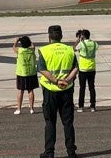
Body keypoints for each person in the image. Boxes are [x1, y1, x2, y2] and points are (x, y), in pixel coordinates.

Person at [37, 24, 79, 158]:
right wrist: (66, 80)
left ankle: (49, 153)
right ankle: (71, 151)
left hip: (50, 90)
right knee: (68, 122)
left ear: (49, 37)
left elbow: (42, 69)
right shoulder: (69, 50)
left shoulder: (44, 50)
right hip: (66, 90)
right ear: (61, 36)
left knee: (50, 122)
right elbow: (76, 68)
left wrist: (56, 81)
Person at [74, 29, 98, 113]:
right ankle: (93, 106)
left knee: (82, 88)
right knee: (92, 88)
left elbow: (74, 48)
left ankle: (81, 106)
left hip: (83, 69)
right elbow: (96, 47)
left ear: (83, 36)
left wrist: (78, 40)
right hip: (92, 68)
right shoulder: (94, 43)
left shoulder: (81, 44)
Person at [14, 35, 38, 115]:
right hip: (31, 73)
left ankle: (19, 109)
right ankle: (31, 108)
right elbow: (33, 46)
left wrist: (16, 41)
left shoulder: (19, 50)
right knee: (30, 90)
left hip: (22, 73)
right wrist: (29, 40)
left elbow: (13, 47)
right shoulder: (32, 50)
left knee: (20, 91)